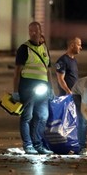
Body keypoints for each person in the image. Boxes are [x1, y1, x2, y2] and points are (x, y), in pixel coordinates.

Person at [12, 21, 54, 155]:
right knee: (27, 117)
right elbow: (17, 72)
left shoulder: (44, 48)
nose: (33, 33)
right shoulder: (24, 48)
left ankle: (38, 144)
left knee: (42, 116)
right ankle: (28, 145)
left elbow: (48, 71)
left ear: (41, 31)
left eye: (36, 30)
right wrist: (15, 91)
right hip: (28, 88)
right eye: (31, 31)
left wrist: (51, 88)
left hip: (43, 88)